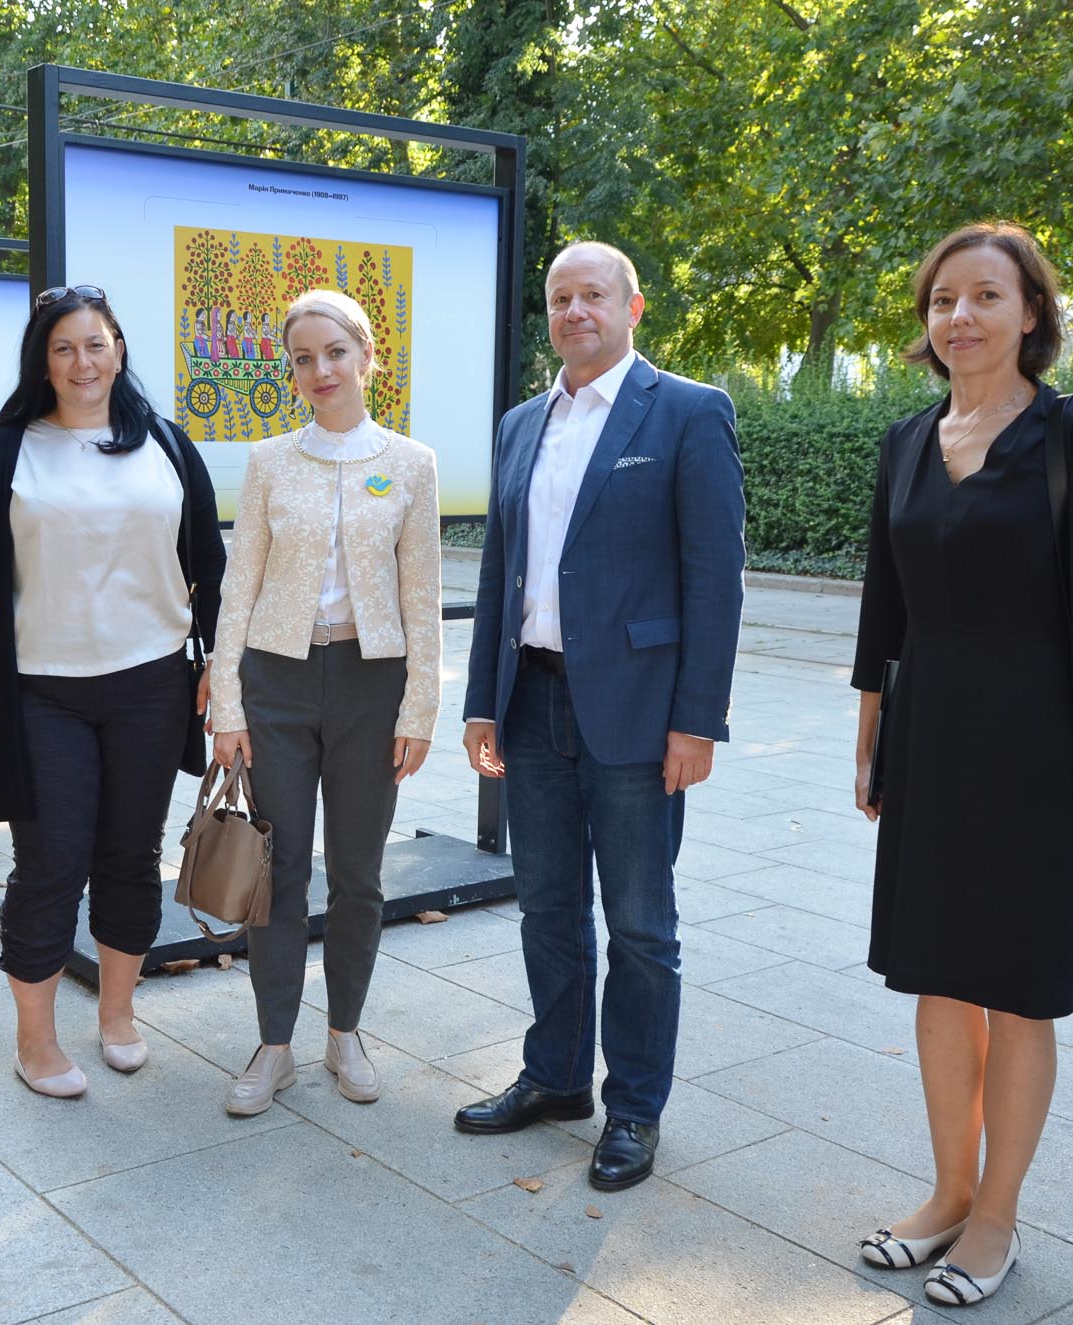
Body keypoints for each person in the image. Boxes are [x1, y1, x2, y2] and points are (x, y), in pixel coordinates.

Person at [850, 222, 1073, 1307]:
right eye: (941, 300)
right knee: (936, 975)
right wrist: (871, 732)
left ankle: (997, 1216)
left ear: (1030, 314)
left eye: (984, 296)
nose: (959, 316)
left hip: (1034, 743)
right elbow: (883, 605)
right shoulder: (905, 440)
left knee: (1016, 988)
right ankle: (947, 1190)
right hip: (928, 733)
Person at [455, 241, 746, 1192]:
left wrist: (697, 721)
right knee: (546, 905)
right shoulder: (520, 424)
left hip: (637, 711)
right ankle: (555, 1077)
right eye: (559, 297)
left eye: (593, 295)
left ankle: (634, 1107)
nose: (574, 311)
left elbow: (716, 579)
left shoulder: (689, 412)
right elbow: (500, 572)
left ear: (632, 306)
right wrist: (482, 703)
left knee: (640, 922)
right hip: (531, 699)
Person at [0, 285, 223, 1098]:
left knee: (131, 857)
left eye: (96, 344)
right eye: (64, 347)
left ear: (119, 348)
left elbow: (209, 564)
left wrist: (221, 660)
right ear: (43, 360)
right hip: (42, 693)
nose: (82, 362)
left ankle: (117, 1015)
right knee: (50, 864)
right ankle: (36, 1040)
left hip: (152, 686)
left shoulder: (165, 444)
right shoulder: (8, 452)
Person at [210, 288, 442, 1116]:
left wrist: (419, 710)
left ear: (367, 356)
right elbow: (239, 586)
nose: (321, 370)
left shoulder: (411, 464)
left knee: (358, 874)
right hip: (275, 680)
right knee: (276, 870)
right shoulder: (269, 462)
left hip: (372, 685)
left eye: (335, 353)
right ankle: (274, 1044)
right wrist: (226, 704)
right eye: (304, 358)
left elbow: (422, 598)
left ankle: (345, 1033)